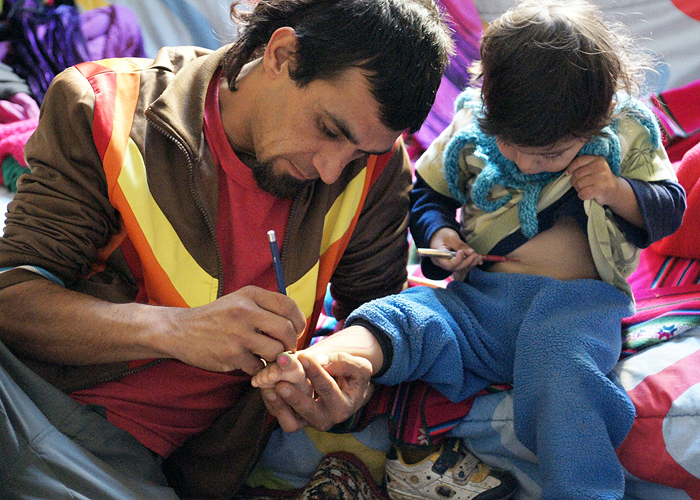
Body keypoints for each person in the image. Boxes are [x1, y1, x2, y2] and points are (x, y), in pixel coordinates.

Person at [0, 0, 453, 498]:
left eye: (360, 153)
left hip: (142, 467)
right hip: (32, 398)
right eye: (329, 130)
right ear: (282, 55)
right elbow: (13, 297)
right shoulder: (107, 108)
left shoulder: (375, 171)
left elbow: (373, 317)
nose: (331, 170)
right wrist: (174, 330)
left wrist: (347, 375)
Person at [252, 1, 687, 499]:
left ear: (599, 115)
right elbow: (426, 195)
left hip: (575, 305)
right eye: (509, 145)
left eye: (547, 155)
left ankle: (583, 491)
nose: (523, 160)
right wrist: (439, 239)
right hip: (476, 301)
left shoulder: (625, 132)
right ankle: (330, 361)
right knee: (404, 315)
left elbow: (669, 210)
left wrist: (616, 191)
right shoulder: (471, 128)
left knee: (565, 375)